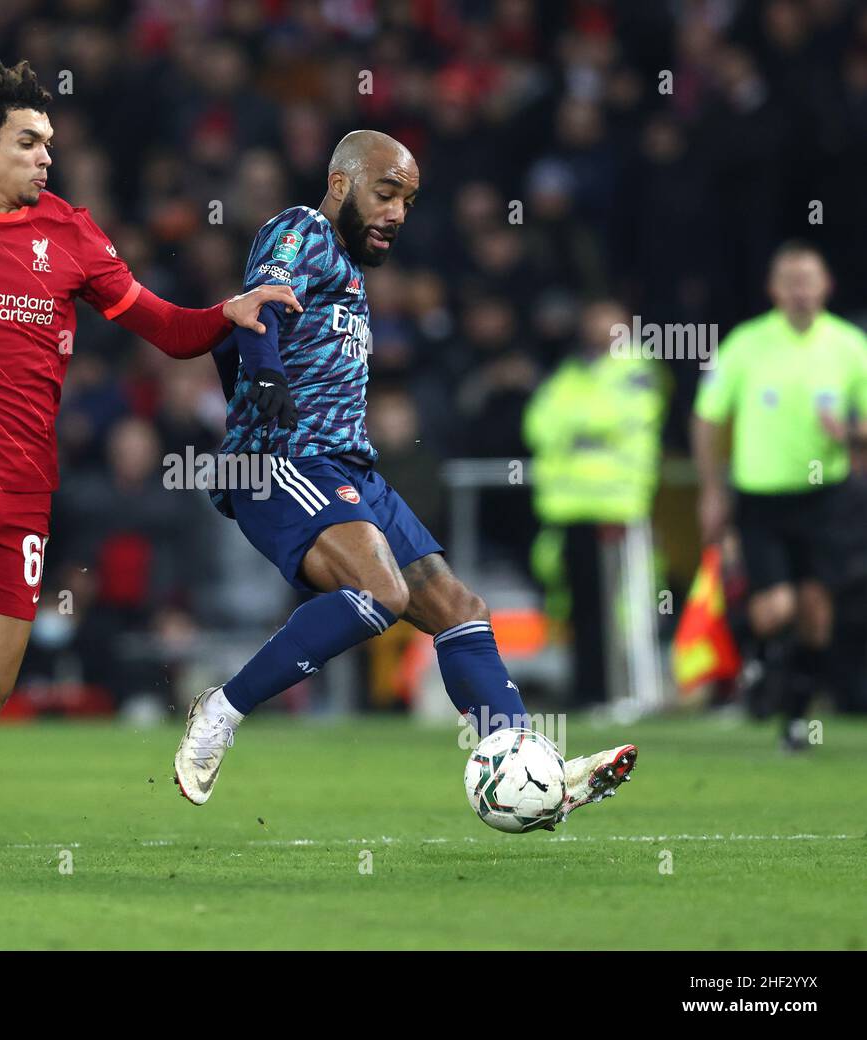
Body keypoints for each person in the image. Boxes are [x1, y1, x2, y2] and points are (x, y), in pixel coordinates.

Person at [0, 53, 299, 871]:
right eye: (30, 142)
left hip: (23, 485)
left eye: (49, 143)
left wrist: (228, 312)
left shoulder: (71, 234)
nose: (47, 156)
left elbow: (165, 328)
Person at [171, 130, 637, 821]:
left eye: (409, 201)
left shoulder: (351, 273)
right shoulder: (300, 229)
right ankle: (221, 711)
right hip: (280, 462)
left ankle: (528, 768)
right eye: (385, 192)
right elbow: (259, 304)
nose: (396, 212)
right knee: (381, 591)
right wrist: (264, 371)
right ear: (340, 185)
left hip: (347, 465)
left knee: (460, 610)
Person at [692, 241, 867, 749]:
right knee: (774, 610)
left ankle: (793, 716)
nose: (800, 290)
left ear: (825, 286)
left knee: (815, 612)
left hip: (827, 498)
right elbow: (707, 418)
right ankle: (763, 672)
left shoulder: (849, 346)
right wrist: (711, 491)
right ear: (774, 290)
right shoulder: (746, 344)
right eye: (790, 280)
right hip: (761, 498)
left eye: (808, 279)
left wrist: (852, 435)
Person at [523, 299, 667, 705]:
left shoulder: (638, 370)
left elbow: (624, 418)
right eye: (593, 319)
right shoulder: (572, 371)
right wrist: (585, 426)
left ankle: (631, 694)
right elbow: (537, 424)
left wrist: (575, 426)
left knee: (621, 608)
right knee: (579, 608)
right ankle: (591, 693)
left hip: (617, 508)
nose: (599, 328)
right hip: (569, 508)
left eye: (608, 320)